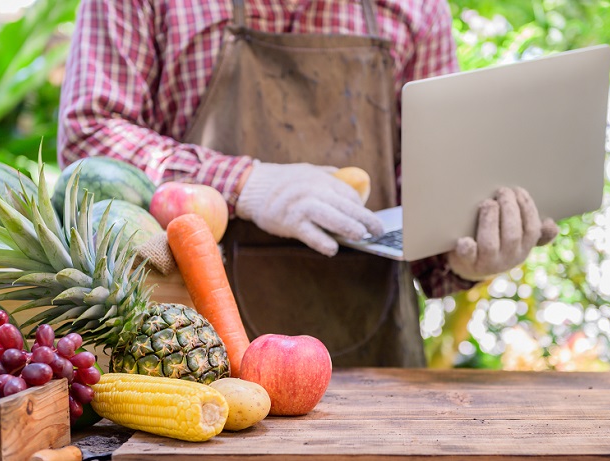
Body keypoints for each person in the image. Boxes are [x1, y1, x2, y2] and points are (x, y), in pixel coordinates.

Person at [58, 0, 558, 367]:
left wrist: (465, 256)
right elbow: (88, 136)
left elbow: (424, 207)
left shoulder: (417, 10)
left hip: (377, 366)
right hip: (190, 362)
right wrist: (248, 184)